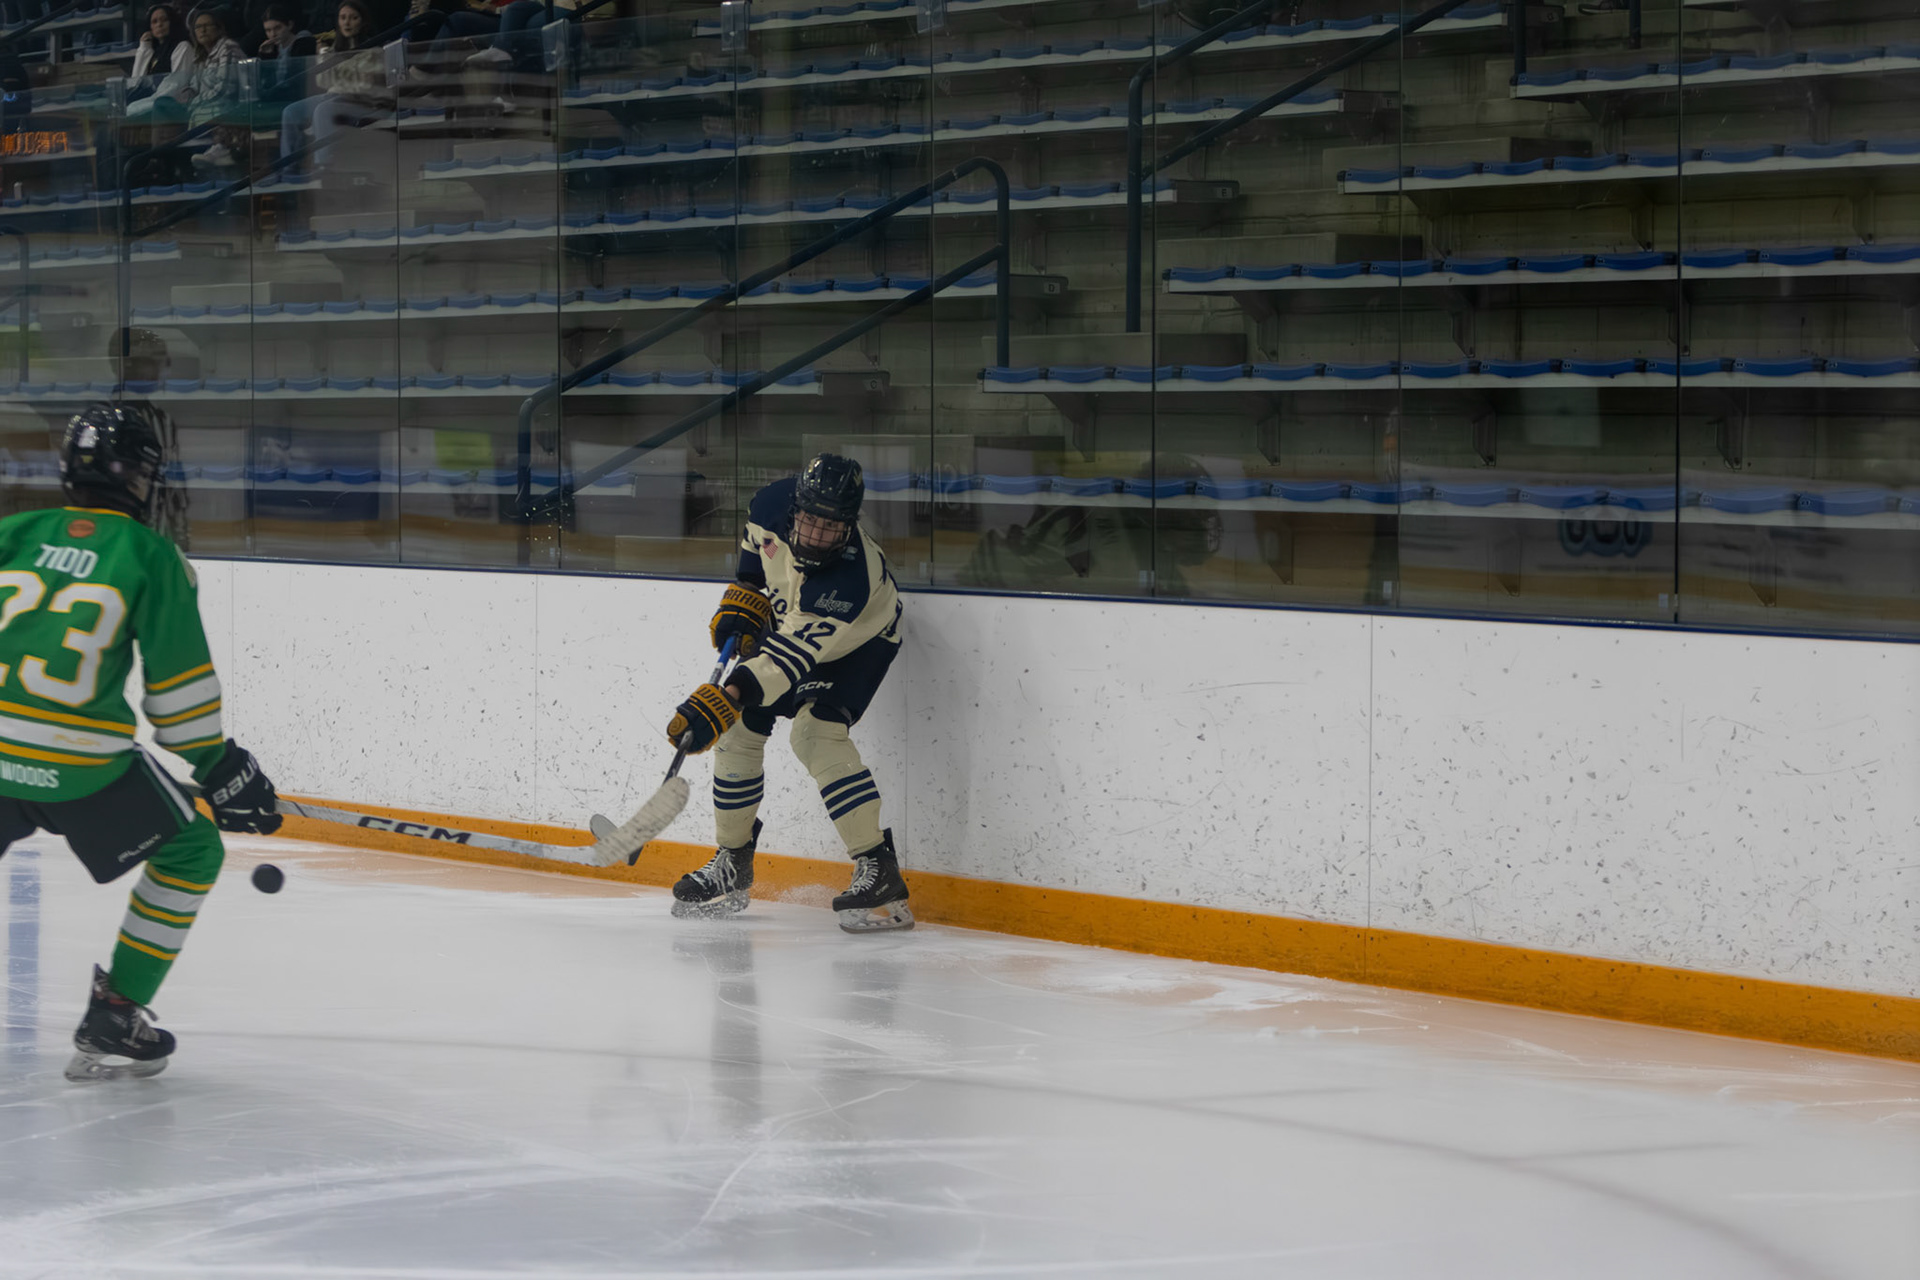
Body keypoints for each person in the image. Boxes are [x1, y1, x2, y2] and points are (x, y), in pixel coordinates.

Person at [0, 402, 282, 1082]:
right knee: (192, 850)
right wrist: (221, 767)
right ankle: (116, 1013)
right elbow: (179, 697)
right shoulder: (152, 556)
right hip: (79, 766)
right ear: (141, 478)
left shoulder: (10, 532)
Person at [664, 454, 912, 934]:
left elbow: (786, 661)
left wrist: (726, 698)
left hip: (857, 640)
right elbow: (753, 565)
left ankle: (878, 866)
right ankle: (732, 862)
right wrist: (745, 597)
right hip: (792, 622)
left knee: (815, 734)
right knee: (737, 731)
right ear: (794, 508)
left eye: (831, 526)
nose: (817, 534)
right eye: (810, 520)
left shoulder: (848, 580)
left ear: (849, 525)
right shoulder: (770, 504)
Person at [129, 5, 197, 91]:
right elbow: (135, 83)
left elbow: (179, 85)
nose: (159, 24)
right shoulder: (153, 50)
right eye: (154, 22)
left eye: (164, 20)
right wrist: (144, 48)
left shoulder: (183, 47)